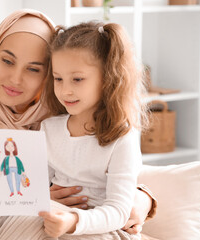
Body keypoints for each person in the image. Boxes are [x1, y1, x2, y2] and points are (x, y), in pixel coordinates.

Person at [0, 9, 156, 240]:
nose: (16, 79)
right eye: (7, 61)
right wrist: (5, 201)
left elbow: (118, 184)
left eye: (34, 69)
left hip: (85, 224)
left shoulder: (57, 111)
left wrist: (143, 199)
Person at [38, 21, 148, 239]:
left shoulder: (122, 137)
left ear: (109, 78)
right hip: (55, 218)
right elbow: (34, 188)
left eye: (77, 79)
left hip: (101, 228)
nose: (65, 90)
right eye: (58, 79)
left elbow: (119, 210)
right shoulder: (48, 128)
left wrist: (73, 221)